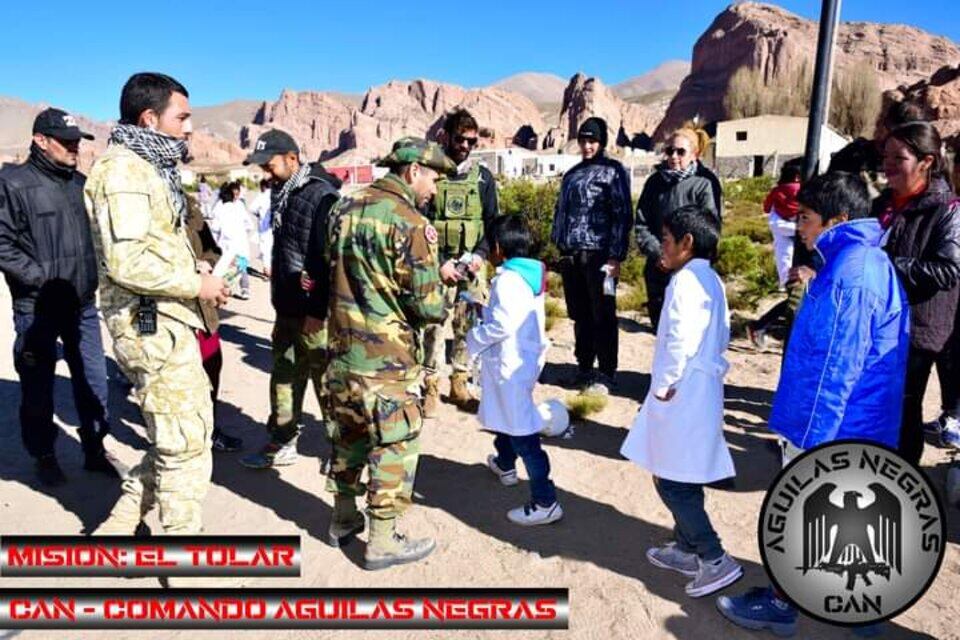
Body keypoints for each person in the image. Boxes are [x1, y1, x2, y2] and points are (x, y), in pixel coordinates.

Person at [718, 171, 910, 636]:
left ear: (837, 218)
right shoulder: (851, 263)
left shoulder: (854, 273)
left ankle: (785, 606)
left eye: (804, 218)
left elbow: (837, 365)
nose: (798, 226)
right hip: (850, 422)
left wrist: (813, 442)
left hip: (838, 426)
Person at [84, 72, 230, 536]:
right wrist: (195, 284)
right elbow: (126, 262)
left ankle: (123, 519)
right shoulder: (123, 171)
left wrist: (197, 272)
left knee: (184, 433)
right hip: (147, 321)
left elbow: (154, 245)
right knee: (185, 442)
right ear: (150, 118)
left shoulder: (150, 167)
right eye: (181, 117)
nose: (188, 127)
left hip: (163, 315)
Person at [324, 137, 454, 570]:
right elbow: (428, 306)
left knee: (348, 438)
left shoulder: (343, 208)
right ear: (414, 171)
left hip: (342, 353)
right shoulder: (411, 222)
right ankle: (382, 539)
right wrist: (445, 284)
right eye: (434, 178)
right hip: (387, 362)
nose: (435, 189)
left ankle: (343, 518)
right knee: (393, 444)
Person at [621, 205, 743, 599]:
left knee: (673, 481)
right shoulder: (711, 279)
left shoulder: (685, 282)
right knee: (681, 470)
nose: (663, 246)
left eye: (668, 240)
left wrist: (664, 386)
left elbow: (679, 338)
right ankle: (688, 548)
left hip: (682, 390)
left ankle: (713, 556)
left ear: (687, 244)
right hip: (700, 389)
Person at [0, 108, 116, 486]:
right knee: (37, 387)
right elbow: (3, 244)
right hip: (37, 307)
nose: (74, 148)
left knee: (94, 382)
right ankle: (44, 455)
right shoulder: (13, 184)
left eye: (77, 142)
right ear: (40, 140)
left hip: (82, 305)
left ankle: (95, 449)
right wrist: (40, 280)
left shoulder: (81, 184)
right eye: (66, 141)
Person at [240, 130, 342, 469]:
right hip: (286, 306)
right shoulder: (283, 191)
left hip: (314, 314)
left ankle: (341, 450)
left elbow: (327, 260)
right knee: (284, 376)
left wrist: (317, 309)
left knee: (326, 384)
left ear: (292, 159)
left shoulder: (321, 196)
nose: (265, 175)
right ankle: (282, 439)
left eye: (269, 167)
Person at [466, 215, 560, 525]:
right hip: (521, 361)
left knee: (523, 432)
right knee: (508, 417)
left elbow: (502, 325)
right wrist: (484, 309)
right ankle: (505, 464)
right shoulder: (526, 275)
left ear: (497, 247)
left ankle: (545, 500)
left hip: (510, 365)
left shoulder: (507, 280)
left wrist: (474, 336)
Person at [875, 122, 960, 464]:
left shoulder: (947, 210)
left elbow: (948, 270)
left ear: (926, 161)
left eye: (900, 157)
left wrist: (889, 264)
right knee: (879, 406)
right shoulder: (883, 204)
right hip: (878, 323)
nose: (889, 164)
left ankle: (903, 481)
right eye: (886, 156)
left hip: (917, 329)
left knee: (904, 410)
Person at [423, 108, 501, 415]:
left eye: (471, 141)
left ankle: (459, 382)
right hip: (438, 266)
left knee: (467, 326)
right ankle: (430, 386)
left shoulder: (482, 177)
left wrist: (481, 256)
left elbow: (491, 221)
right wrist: (441, 261)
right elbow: (423, 222)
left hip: (471, 267)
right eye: (460, 139)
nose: (466, 146)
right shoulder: (432, 173)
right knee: (433, 327)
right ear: (447, 137)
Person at [550, 117, 632, 394]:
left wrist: (616, 256)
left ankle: (607, 372)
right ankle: (584, 368)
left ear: (601, 142)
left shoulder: (613, 171)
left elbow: (622, 215)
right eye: (583, 140)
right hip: (572, 256)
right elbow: (561, 212)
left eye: (592, 141)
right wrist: (558, 245)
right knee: (580, 315)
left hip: (600, 256)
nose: (587, 146)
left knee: (603, 314)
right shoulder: (572, 174)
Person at [635, 126, 720, 334]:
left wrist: (682, 259)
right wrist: (659, 254)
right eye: (669, 151)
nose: (674, 156)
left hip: (691, 270)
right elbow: (641, 223)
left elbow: (709, 229)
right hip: (659, 267)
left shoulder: (705, 183)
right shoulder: (655, 182)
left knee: (687, 330)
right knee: (662, 329)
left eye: (680, 152)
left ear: (694, 154)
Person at [184, 195, 244, 453]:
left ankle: (208, 430)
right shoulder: (135, 203)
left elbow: (211, 248)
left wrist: (207, 263)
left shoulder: (187, 205)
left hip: (201, 310)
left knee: (211, 366)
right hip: (162, 312)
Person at [747, 161, 804, 349]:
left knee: (795, 297)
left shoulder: (777, 195)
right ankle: (760, 326)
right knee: (795, 298)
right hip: (795, 254)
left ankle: (760, 326)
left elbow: (767, 210)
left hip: (786, 253)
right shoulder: (804, 194)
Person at [212, 181, 252, 300]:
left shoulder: (220, 207)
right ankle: (244, 289)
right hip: (241, 243)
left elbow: (215, 228)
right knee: (241, 266)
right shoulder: (239, 206)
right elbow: (249, 225)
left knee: (224, 269)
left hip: (227, 245)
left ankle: (222, 291)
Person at [250, 178, 273, 278]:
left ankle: (268, 271)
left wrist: (258, 214)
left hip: (265, 227)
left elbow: (252, 208)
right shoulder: (276, 193)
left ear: (263, 186)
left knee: (265, 250)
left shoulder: (262, 196)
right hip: (275, 226)